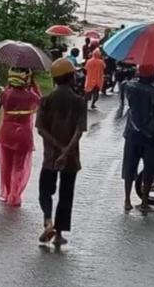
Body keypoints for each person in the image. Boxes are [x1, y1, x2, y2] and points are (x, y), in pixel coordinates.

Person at [37, 59, 87, 246]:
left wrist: (57, 148)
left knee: (45, 191)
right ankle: (58, 235)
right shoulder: (79, 101)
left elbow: (41, 129)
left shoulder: (46, 100)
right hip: (71, 158)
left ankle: (48, 221)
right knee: (66, 194)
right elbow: (79, 130)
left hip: (50, 157)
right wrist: (66, 152)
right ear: (70, 77)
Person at [122, 64, 154, 212]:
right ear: (153, 75)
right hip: (150, 135)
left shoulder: (129, 87)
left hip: (132, 133)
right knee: (149, 169)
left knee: (129, 166)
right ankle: (144, 202)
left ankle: (127, 200)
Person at [0, 69, 41, 207]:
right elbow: (40, 101)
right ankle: (14, 196)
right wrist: (33, 84)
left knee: (6, 164)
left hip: (6, 133)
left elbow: (3, 97)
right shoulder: (31, 96)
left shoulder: (5, 94)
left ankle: (7, 192)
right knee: (19, 166)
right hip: (23, 135)